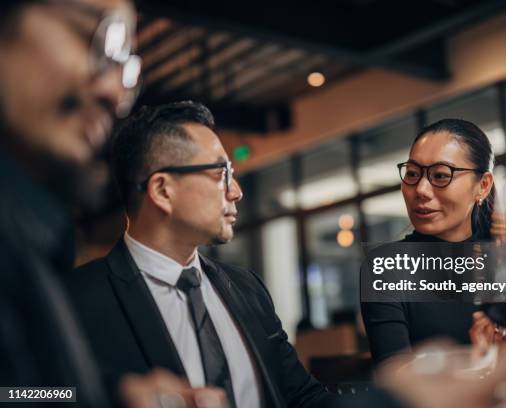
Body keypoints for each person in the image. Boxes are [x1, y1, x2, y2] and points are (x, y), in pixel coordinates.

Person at [0, 2, 229, 407]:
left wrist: (115, 395)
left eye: (124, 65)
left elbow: (17, 392)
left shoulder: (28, 235)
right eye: (99, 38)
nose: (112, 92)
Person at [63, 101, 340, 408]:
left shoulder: (248, 288)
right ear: (163, 190)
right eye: (222, 172)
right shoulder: (73, 300)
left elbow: (303, 398)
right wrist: (114, 396)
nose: (236, 191)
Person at [361, 119, 506, 382]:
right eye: (413, 174)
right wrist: (496, 372)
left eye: (440, 175)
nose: (421, 190)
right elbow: (397, 383)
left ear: (482, 185)